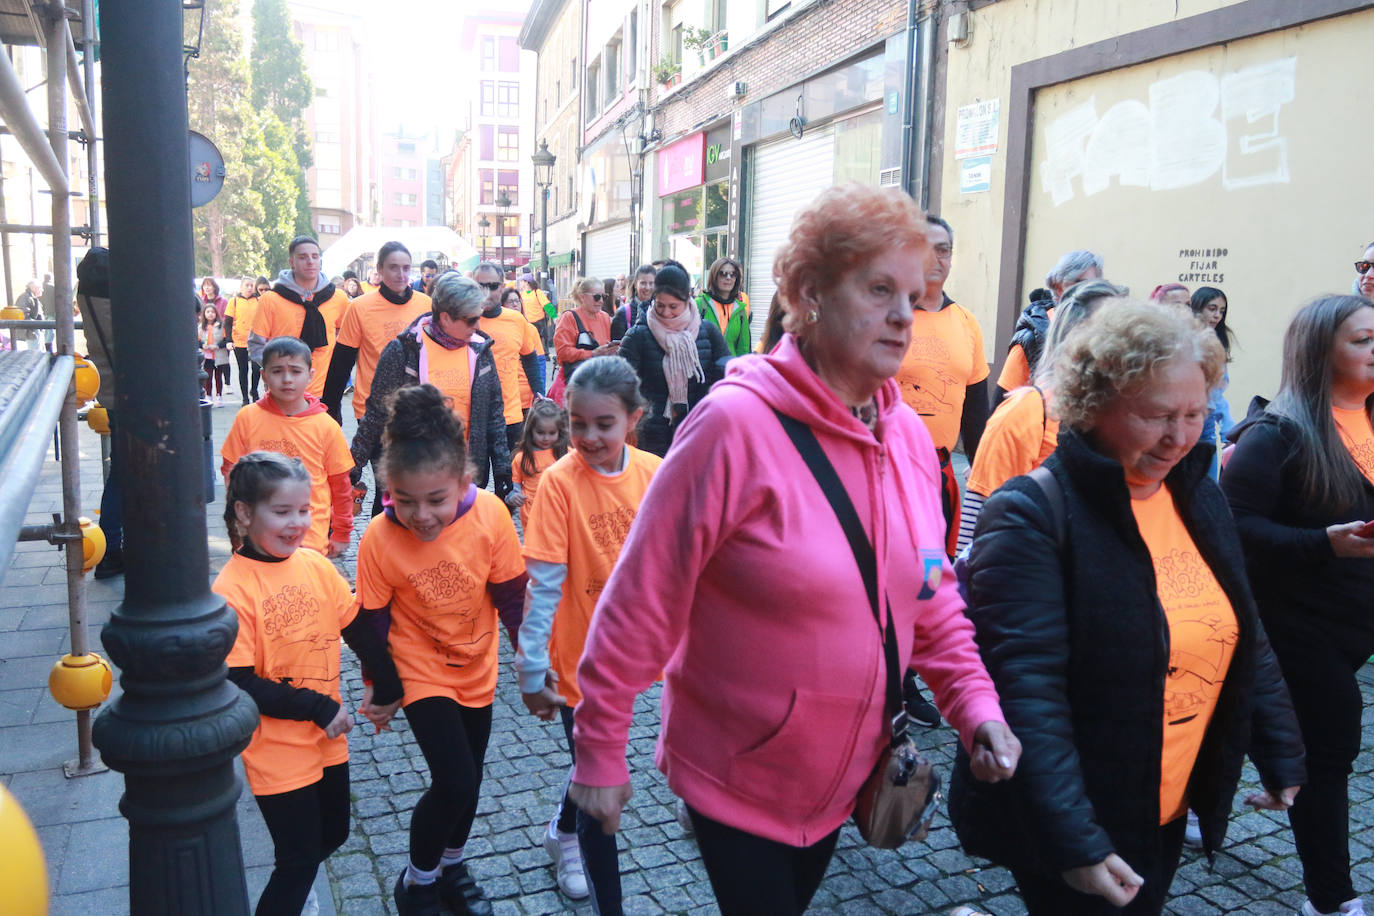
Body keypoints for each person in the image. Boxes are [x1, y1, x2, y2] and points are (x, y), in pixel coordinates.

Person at [566, 185, 1017, 916]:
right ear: (808, 293)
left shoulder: (904, 437)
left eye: (914, 291)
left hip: (848, 770)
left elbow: (931, 592)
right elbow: (641, 599)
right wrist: (599, 748)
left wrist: (976, 706)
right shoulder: (733, 427)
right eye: (878, 290)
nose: (905, 315)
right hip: (741, 773)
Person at [951, 301, 1304, 916]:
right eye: (1157, 415)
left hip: (1165, 797)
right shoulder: (1033, 512)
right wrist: (1077, 844)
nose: (1180, 435)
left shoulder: (1197, 496)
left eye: (1195, 413)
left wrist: (1280, 750)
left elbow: (1242, 627)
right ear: (1094, 405)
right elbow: (1027, 691)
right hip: (1079, 809)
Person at [1223, 294, 1374, 916]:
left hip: (1355, 620)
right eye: (1364, 340)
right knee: (1331, 745)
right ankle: (1332, 898)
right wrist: (1321, 544)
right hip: (1295, 621)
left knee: (1253, 728)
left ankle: (1215, 782)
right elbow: (1230, 527)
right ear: (1320, 352)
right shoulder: (1275, 435)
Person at [352, 384, 525, 916]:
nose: (420, 516)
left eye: (435, 501)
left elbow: (512, 595)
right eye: (404, 502)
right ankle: (418, 881)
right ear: (388, 490)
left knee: (469, 781)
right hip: (418, 666)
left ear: (463, 482)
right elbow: (370, 623)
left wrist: (535, 659)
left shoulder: (492, 515)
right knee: (454, 779)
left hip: (477, 664)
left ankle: (452, 865)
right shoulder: (379, 539)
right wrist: (383, 688)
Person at [216, 452, 401, 916]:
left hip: (325, 739)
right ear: (243, 512)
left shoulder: (314, 565)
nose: (297, 523)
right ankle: (295, 899)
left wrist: (389, 682)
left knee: (333, 832)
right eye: (281, 512)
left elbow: (356, 626)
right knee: (297, 858)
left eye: (304, 510)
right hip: (275, 747)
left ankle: (298, 895)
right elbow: (238, 681)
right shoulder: (231, 591)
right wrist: (317, 707)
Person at [514, 356, 663, 912]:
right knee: (601, 782)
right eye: (578, 423)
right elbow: (544, 584)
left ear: (634, 418)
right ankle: (598, 883)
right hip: (581, 661)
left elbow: (675, 564)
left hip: (640, 648)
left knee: (588, 764)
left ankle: (559, 826)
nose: (588, 436)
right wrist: (532, 669)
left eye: (604, 424)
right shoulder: (557, 483)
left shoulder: (654, 471)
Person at [956, 279, 1126, 552]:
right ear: (1074, 338)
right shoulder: (1026, 411)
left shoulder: (1122, 416)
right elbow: (977, 526)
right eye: (1111, 330)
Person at [351, 272, 510, 501]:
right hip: (412, 477)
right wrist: (353, 466)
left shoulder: (480, 351)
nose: (477, 326)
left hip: (465, 477)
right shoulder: (403, 351)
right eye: (471, 319)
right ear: (445, 318)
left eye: (479, 318)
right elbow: (376, 414)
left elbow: (494, 413)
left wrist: (503, 471)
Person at [896, 214, 990, 561]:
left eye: (944, 250)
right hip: (889, 471)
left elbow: (977, 407)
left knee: (934, 573)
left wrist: (982, 470)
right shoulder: (887, 316)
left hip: (940, 474)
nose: (936, 258)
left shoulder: (966, 323)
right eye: (925, 249)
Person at [221, 337, 354, 558]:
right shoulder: (248, 418)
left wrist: (342, 532)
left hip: (308, 539)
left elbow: (341, 486)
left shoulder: (326, 426)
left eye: (295, 371)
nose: (287, 379)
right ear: (264, 376)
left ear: (310, 375)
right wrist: (238, 522)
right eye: (277, 371)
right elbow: (230, 472)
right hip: (257, 535)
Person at [618, 262, 729, 456]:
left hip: (697, 431)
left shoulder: (708, 332)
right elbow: (621, 387)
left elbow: (724, 374)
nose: (666, 313)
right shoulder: (638, 336)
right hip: (650, 437)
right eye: (660, 305)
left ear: (688, 300)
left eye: (673, 306)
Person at [322, 241, 432, 425]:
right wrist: (331, 406)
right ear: (380, 269)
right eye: (393, 268)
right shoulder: (360, 307)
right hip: (372, 408)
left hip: (415, 408)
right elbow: (342, 361)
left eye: (406, 268)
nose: (401, 274)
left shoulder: (426, 305)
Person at [994, 250, 1105, 401]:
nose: (1090, 292)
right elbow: (1002, 403)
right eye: (1081, 284)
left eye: (1095, 285)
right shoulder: (1031, 337)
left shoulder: (1101, 333)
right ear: (1059, 287)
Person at [250, 236, 351, 398]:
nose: (310, 261)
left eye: (315, 256)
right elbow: (255, 346)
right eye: (302, 257)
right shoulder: (271, 299)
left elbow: (345, 339)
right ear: (292, 262)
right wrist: (278, 371)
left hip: (326, 392)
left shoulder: (338, 298)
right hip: (283, 394)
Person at [473, 262, 544, 460]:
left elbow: (531, 358)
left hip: (511, 416)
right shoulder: (464, 319)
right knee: (477, 483)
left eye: (493, 286)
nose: (486, 292)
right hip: (474, 418)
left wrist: (539, 393)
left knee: (512, 481)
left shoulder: (518, 318)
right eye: (480, 286)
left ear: (502, 287)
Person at [1190, 286, 1235, 480]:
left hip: (1207, 426)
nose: (1217, 316)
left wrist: (1228, 430)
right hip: (1187, 421)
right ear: (1197, 308)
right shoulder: (1182, 341)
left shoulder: (1218, 343)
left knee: (1208, 487)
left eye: (1222, 311)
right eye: (1212, 308)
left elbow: (1218, 392)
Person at [506, 396, 569, 529]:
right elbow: (514, 488)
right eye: (540, 432)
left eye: (552, 433)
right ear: (531, 431)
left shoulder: (566, 454)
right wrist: (513, 497)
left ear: (559, 431)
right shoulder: (521, 458)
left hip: (559, 516)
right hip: (532, 518)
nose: (546, 438)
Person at [554, 277, 618, 382]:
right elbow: (562, 353)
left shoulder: (605, 317)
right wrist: (592, 354)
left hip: (600, 378)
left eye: (604, 297)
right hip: (577, 381)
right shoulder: (569, 317)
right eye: (597, 297)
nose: (601, 301)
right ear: (582, 297)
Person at [500, 286, 547, 420]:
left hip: (538, 322)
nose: (515, 304)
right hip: (509, 396)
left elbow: (547, 305)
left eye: (517, 301)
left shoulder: (537, 292)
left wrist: (554, 317)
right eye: (511, 302)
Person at [695, 256, 751, 356]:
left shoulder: (740, 310)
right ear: (714, 276)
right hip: (703, 369)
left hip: (730, 369)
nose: (728, 278)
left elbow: (744, 349)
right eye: (723, 274)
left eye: (733, 274)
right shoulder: (699, 304)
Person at [225, 277, 262, 405]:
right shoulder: (234, 301)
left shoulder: (258, 300)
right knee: (243, 369)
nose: (250, 288)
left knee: (257, 368)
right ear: (241, 287)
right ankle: (245, 397)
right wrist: (229, 340)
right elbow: (228, 323)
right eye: (247, 285)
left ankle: (254, 391)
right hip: (239, 341)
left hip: (255, 340)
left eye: (252, 285)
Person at [611, 264, 656, 341]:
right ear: (635, 284)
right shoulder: (623, 313)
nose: (647, 288)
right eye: (643, 283)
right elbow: (617, 348)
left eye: (651, 283)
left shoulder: (662, 310)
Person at [199, 305, 229, 406]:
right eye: (208, 312)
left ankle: (219, 395)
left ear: (216, 314)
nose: (210, 314)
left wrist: (217, 346)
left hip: (219, 356)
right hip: (206, 356)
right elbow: (197, 341)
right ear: (204, 314)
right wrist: (203, 345)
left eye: (212, 312)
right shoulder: (200, 327)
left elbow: (225, 340)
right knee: (208, 377)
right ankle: (208, 396)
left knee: (218, 377)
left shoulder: (221, 326)